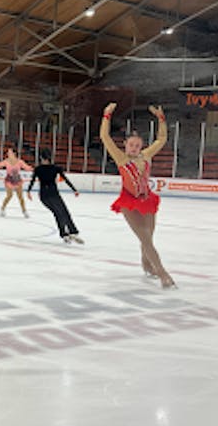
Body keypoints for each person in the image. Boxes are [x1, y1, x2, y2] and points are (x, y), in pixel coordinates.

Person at [100, 102, 175, 288]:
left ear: (141, 146)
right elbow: (105, 137)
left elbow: (162, 139)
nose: (134, 147)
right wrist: (106, 116)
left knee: (148, 235)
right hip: (128, 202)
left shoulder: (146, 156)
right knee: (145, 237)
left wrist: (161, 119)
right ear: (125, 145)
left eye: (137, 145)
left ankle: (146, 262)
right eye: (131, 144)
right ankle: (162, 272)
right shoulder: (121, 158)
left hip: (147, 199)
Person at [27, 148, 82, 244]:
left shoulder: (38, 169)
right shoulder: (56, 168)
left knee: (58, 213)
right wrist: (74, 190)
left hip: (44, 195)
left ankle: (65, 233)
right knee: (63, 212)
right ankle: (71, 231)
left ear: (41, 158)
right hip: (53, 194)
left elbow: (32, 181)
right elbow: (65, 179)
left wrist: (29, 191)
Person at [0, 147, 33, 217]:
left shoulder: (19, 162)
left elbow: (27, 167)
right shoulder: (6, 161)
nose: (8, 153)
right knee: (9, 195)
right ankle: (2, 209)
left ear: (14, 153)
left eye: (9, 152)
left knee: (20, 197)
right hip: (9, 180)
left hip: (17, 180)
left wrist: (34, 169)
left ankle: (24, 211)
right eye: (8, 152)